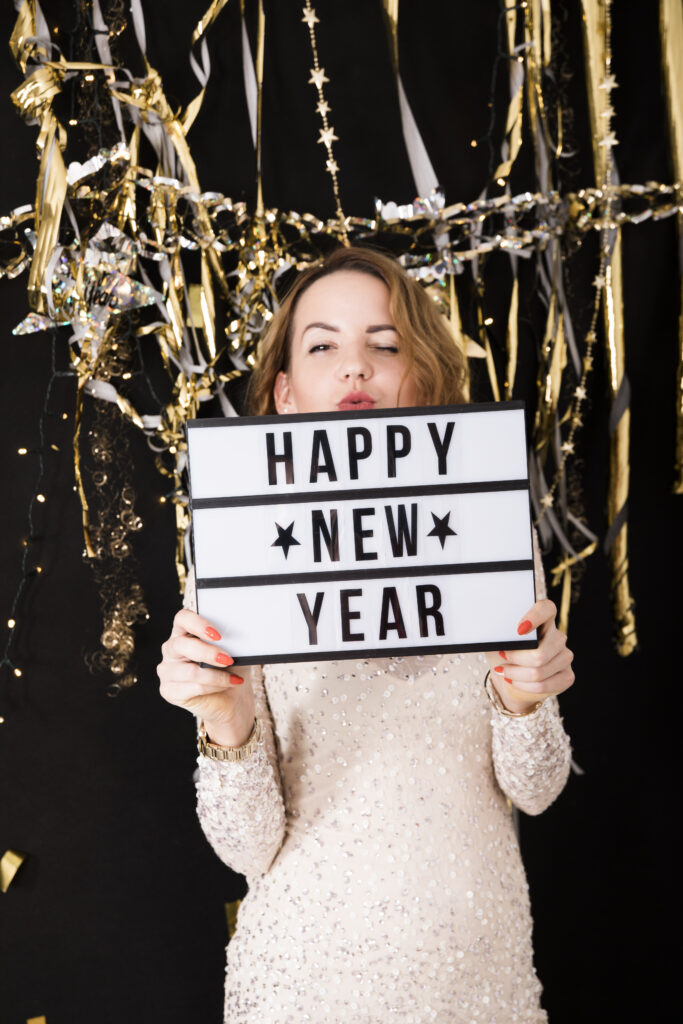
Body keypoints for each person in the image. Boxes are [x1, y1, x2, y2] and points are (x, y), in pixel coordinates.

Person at [157, 247, 574, 1023]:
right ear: (284, 393)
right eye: (322, 346)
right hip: (304, 988)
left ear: (422, 377)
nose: (356, 368)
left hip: (478, 984)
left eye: (385, 345)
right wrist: (223, 721)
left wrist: (524, 701)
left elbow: (538, 788)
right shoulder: (239, 558)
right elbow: (246, 848)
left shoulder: (486, 539)